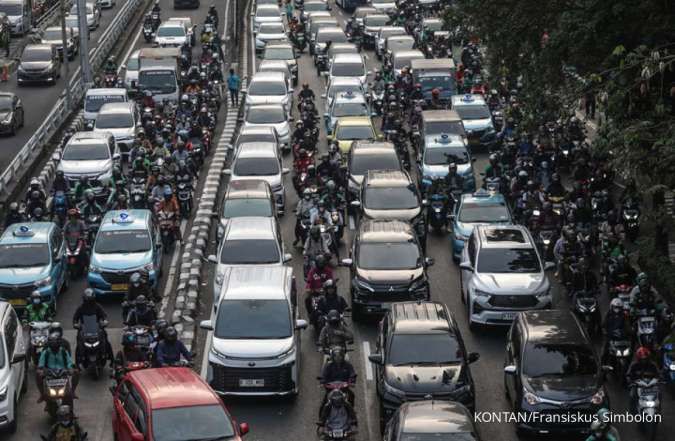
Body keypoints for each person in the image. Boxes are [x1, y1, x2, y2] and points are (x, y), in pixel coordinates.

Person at [72, 289, 114, 365]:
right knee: (79, 345)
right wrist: (75, 324)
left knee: (106, 342)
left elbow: (104, 315)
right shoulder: (80, 308)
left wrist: (105, 321)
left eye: (90, 300)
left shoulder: (97, 306)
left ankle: (112, 360)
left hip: (97, 328)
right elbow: (75, 318)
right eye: (87, 300)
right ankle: (77, 364)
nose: (88, 302)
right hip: (84, 330)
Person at [37, 333, 78, 403]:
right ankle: (42, 394)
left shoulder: (63, 351)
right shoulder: (46, 352)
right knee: (37, 374)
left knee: (77, 372)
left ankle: (73, 391)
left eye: (56, 342)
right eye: (52, 342)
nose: (54, 344)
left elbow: (69, 362)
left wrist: (71, 369)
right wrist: (41, 370)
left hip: (62, 372)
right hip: (49, 373)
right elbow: (41, 364)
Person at [601, 298, 631, 364]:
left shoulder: (624, 315)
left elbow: (628, 326)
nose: (617, 309)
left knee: (630, 351)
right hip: (611, 337)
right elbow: (603, 325)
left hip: (622, 339)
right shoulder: (608, 314)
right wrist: (605, 332)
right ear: (611, 307)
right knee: (604, 352)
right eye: (615, 307)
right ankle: (602, 367)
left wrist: (628, 331)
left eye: (618, 307)